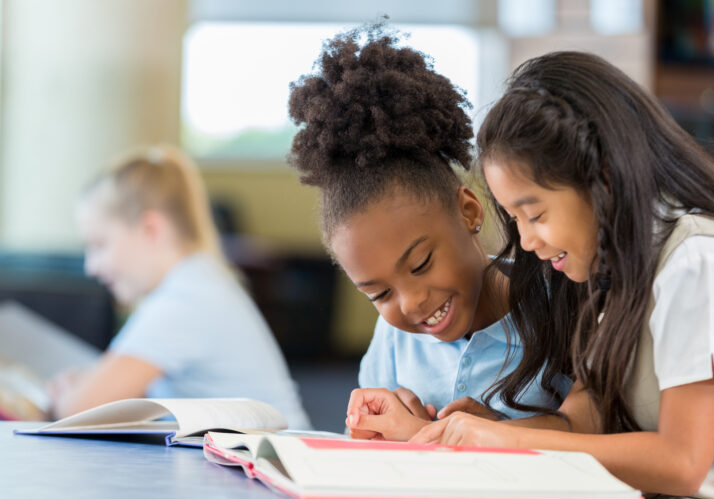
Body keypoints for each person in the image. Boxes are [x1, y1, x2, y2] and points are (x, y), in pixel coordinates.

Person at [383, 52, 714, 499]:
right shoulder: (614, 276)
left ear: (602, 178)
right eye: (514, 219)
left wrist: (501, 441)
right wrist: (472, 435)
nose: (526, 242)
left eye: (535, 214)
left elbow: (683, 461)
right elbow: (579, 427)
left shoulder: (698, 260)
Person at [288, 26, 570, 442]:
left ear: (469, 211)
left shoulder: (557, 308)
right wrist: (375, 435)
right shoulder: (393, 340)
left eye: (420, 264)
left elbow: (590, 431)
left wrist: (493, 433)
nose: (411, 302)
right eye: (379, 295)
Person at [48, 145, 311, 430]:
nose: (91, 266)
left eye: (100, 245)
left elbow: (77, 412)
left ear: (151, 229)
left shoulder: (184, 300)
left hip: (280, 467)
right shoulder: (198, 280)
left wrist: (64, 393)